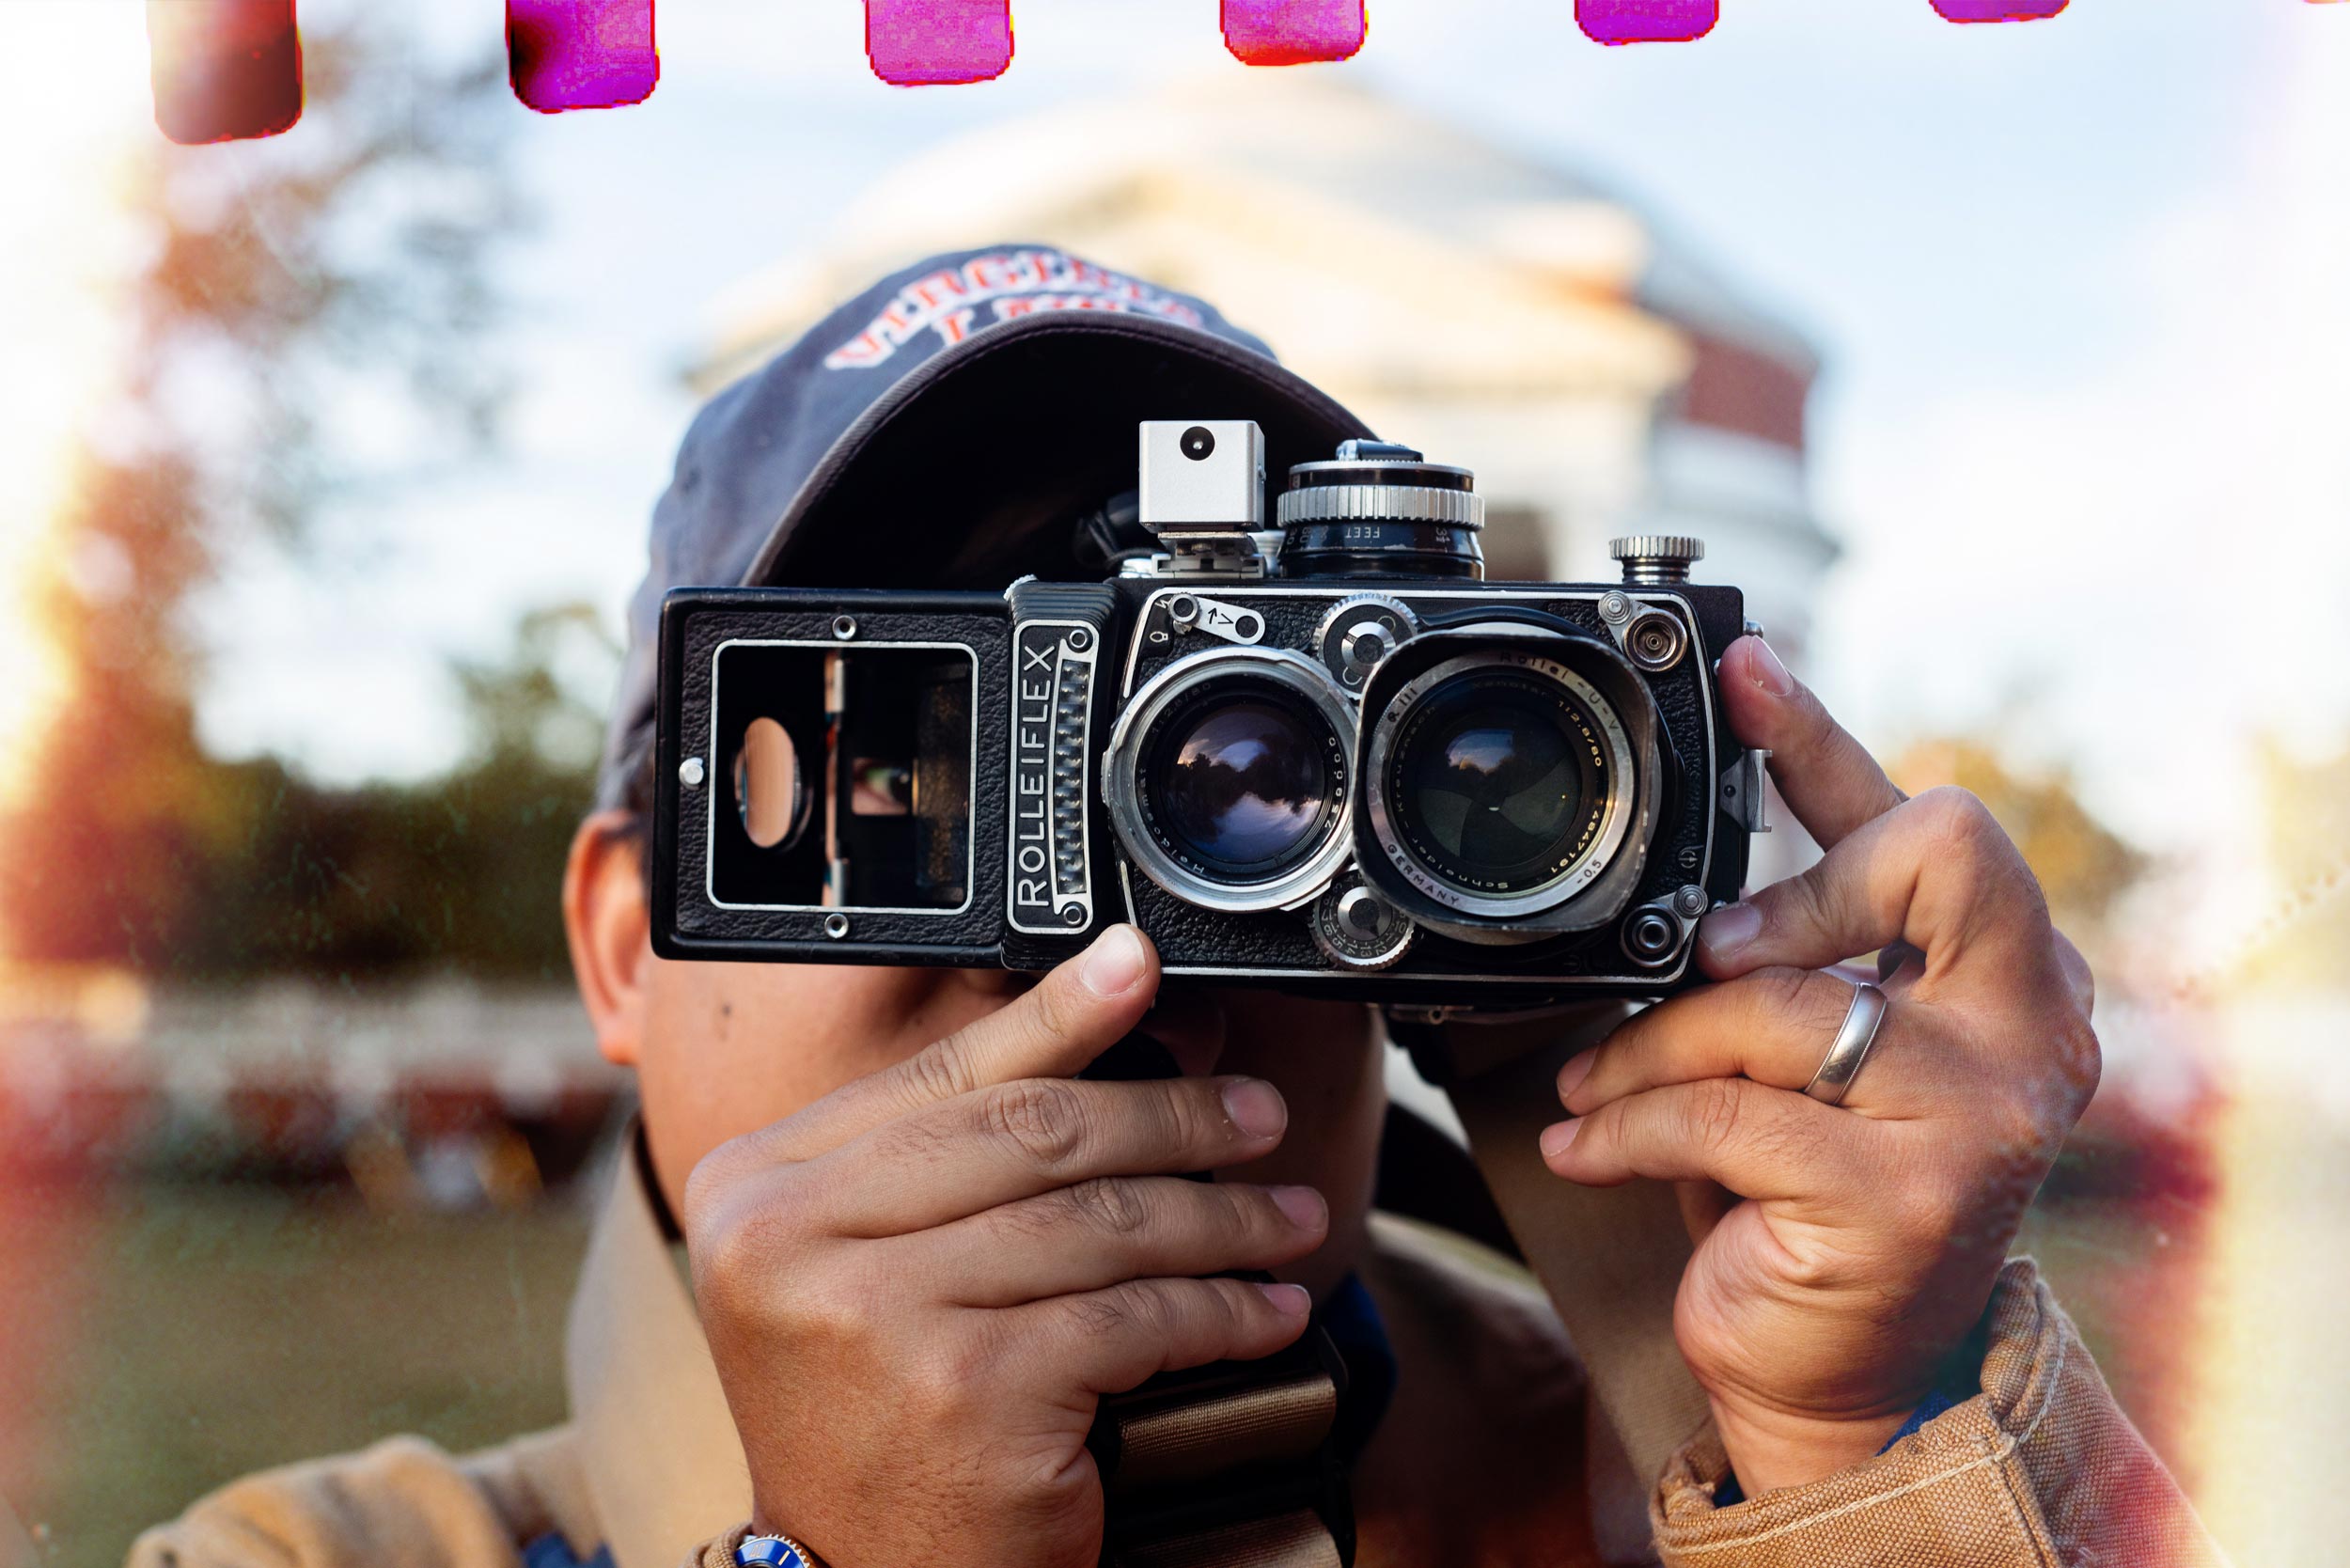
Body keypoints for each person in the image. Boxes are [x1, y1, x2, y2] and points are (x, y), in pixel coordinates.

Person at [131, 247, 2222, 1568]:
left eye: (1262, 782)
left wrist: (1880, 1455)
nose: (1086, 945)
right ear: (622, 944)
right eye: (912, 789)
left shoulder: (1697, 1479)